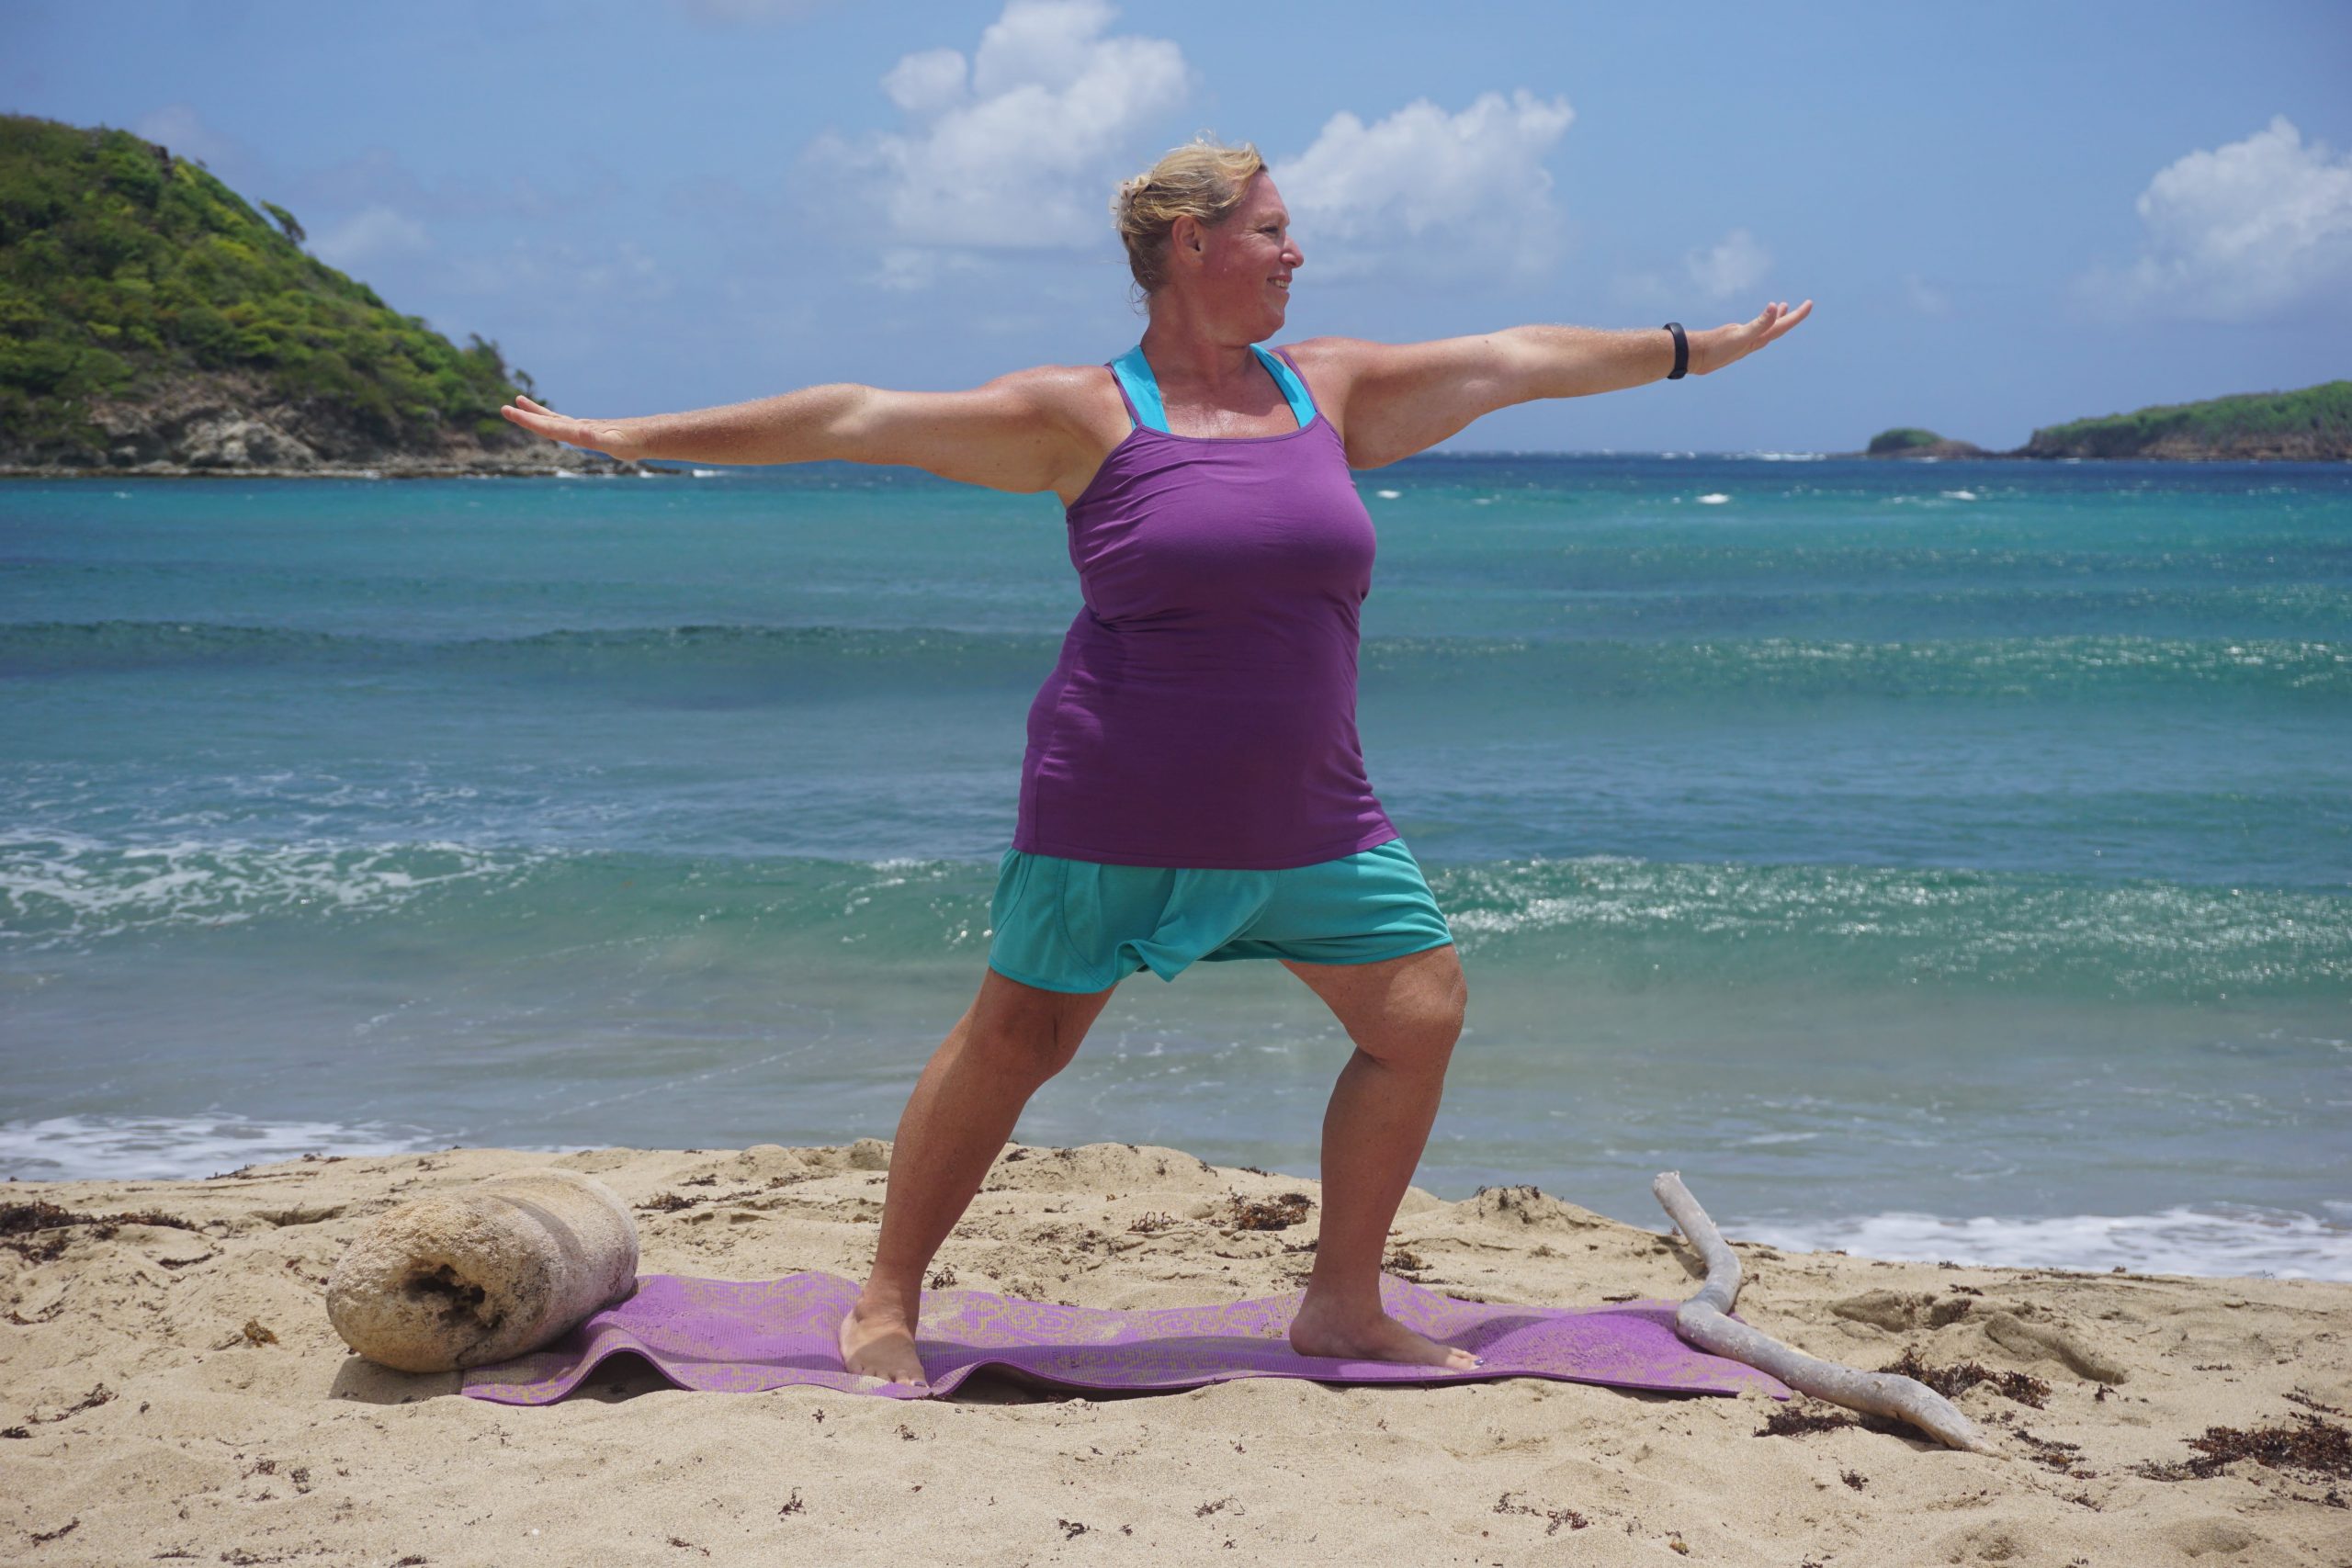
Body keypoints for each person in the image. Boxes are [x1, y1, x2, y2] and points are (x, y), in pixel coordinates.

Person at [501, 137, 1812, 1392]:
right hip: (1114, 804)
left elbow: (1520, 359)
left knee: (1417, 1008)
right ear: (1194, 243)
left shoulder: (1328, 388)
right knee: (1019, 1037)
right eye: (1274, 232)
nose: (1299, 254)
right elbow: (858, 416)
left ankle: (1342, 1300)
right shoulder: (1081, 413)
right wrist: (633, 431)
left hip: (1311, 810)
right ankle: (889, 1295)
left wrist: (1694, 350)